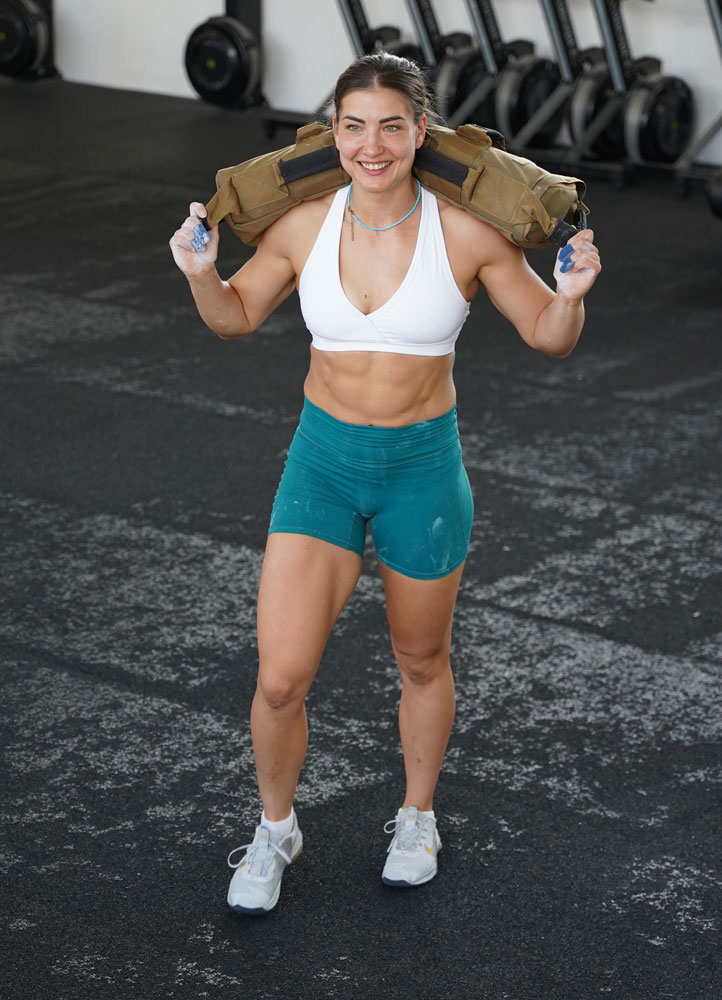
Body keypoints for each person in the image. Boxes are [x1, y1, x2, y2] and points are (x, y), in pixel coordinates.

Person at [169, 52, 601, 915]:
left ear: (421, 133)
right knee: (281, 678)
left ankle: (416, 815)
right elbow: (235, 316)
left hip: (421, 473)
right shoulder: (301, 224)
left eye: (392, 126)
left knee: (421, 659)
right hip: (322, 465)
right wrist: (197, 273)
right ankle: (275, 827)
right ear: (334, 133)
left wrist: (573, 294)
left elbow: (548, 336)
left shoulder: (467, 232)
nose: (373, 146)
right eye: (355, 126)